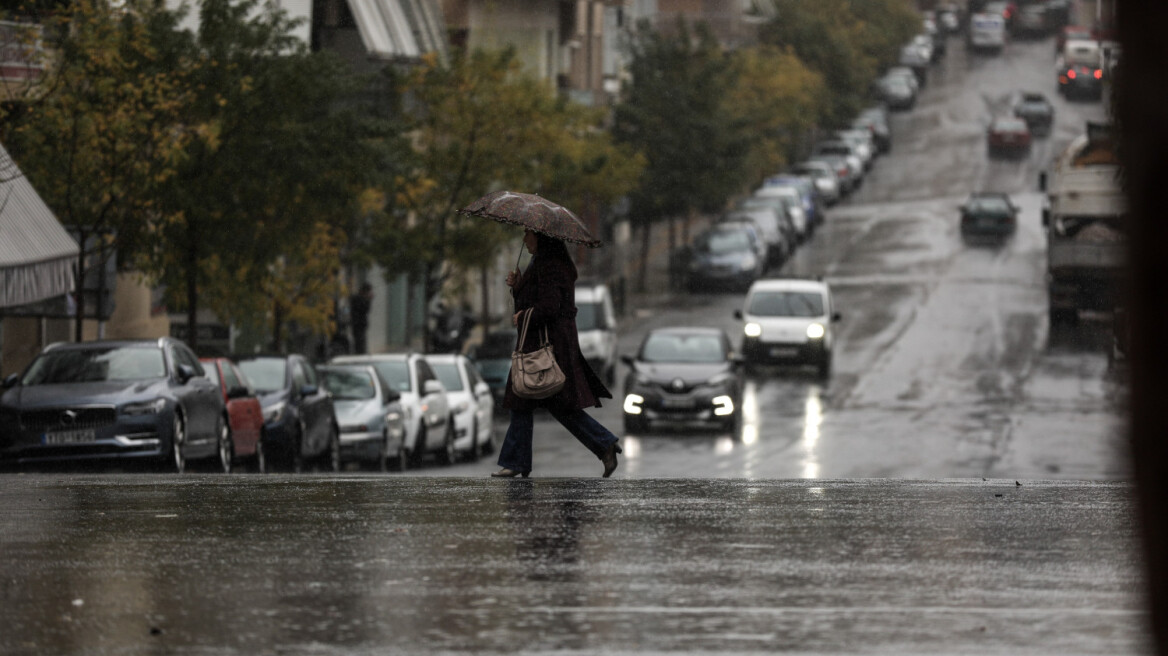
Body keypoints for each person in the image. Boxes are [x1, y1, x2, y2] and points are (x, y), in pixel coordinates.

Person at [493, 230, 622, 479]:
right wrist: (518, 287)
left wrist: (523, 316)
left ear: (542, 238)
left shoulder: (550, 265)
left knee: (536, 400)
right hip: (544, 344)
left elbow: (550, 307)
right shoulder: (543, 262)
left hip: (547, 346)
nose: (524, 240)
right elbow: (537, 300)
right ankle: (602, 444)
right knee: (533, 402)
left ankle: (517, 461)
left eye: (528, 235)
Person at [349, 282, 373, 355]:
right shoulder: (358, 299)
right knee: (360, 344)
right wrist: (368, 300)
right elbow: (365, 309)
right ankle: (360, 354)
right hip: (358, 324)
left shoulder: (358, 298)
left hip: (359, 325)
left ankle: (361, 353)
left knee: (361, 342)